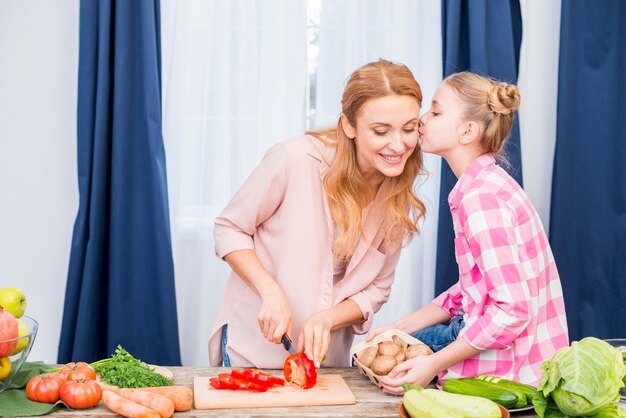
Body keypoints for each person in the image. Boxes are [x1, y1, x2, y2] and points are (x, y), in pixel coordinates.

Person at [209, 59, 427, 369]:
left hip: (327, 364)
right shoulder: (295, 159)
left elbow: (377, 288)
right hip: (252, 351)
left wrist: (327, 319)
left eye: (409, 128)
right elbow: (229, 228)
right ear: (348, 125)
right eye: (381, 131)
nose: (398, 145)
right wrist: (269, 291)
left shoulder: (396, 189)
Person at [368, 72, 569, 395]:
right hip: (520, 358)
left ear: (467, 131)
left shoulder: (481, 200)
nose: (423, 119)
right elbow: (474, 287)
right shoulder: (486, 185)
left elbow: (512, 311)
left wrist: (433, 364)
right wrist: (399, 327)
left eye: (435, 111)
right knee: (392, 349)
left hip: (514, 376)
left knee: (391, 374)